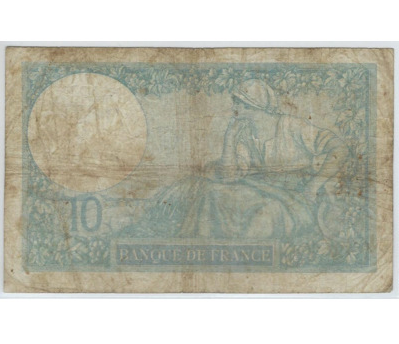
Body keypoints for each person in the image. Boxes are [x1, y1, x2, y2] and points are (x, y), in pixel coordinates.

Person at [124, 79, 348, 241]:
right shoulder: (244, 134)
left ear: (254, 106)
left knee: (266, 214)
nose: (235, 108)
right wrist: (229, 139)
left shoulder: (293, 127)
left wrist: (315, 184)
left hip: (295, 197)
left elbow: (339, 147)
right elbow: (229, 177)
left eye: (239, 103)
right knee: (212, 195)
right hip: (259, 191)